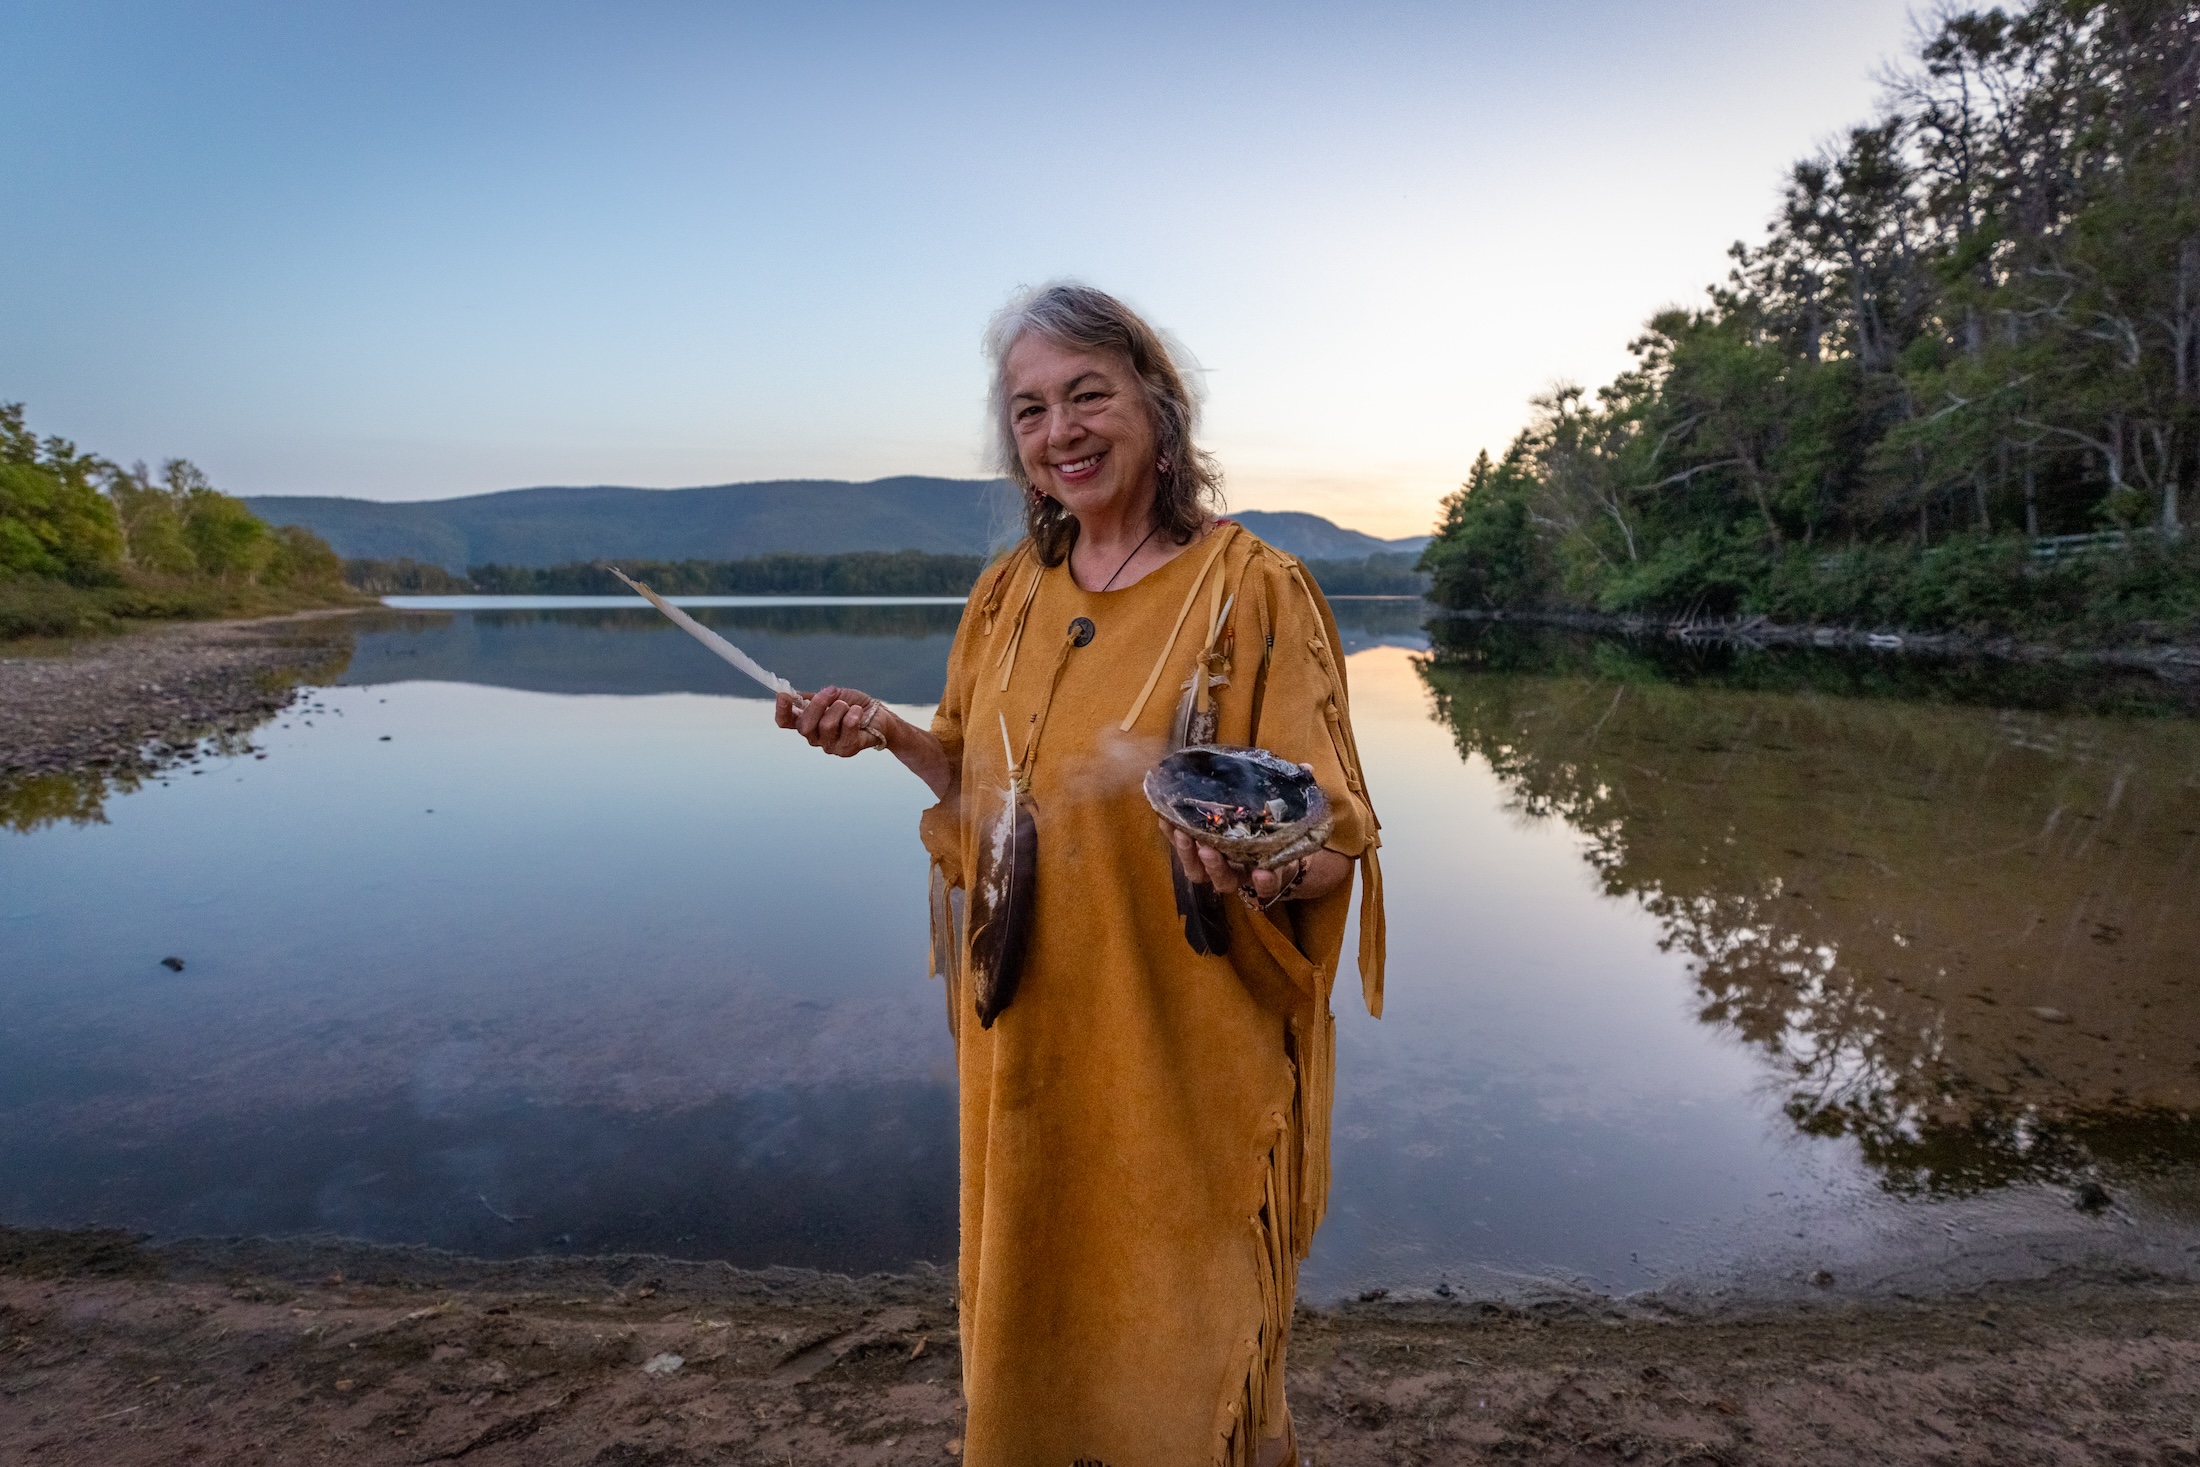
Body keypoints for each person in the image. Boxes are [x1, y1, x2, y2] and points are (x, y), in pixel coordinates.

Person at [776, 282, 1384, 1467]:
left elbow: (1330, 834)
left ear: (1157, 407)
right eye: (1030, 409)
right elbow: (983, 792)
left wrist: (1262, 869)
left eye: (1087, 395)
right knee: (1038, 1323)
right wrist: (889, 734)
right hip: (1030, 1039)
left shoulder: (1250, 588)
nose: (1060, 430)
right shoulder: (1009, 595)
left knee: (1198, 1343)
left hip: (1180, 1043)